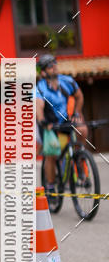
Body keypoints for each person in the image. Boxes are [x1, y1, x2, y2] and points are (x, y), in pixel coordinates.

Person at [36, 53, 88, 195]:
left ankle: (79, 156)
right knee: (51, 154)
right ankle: (51, 187)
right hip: (47, 122)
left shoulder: (67, 81)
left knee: (82, 129)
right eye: (49, 66)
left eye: (55, 64)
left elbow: (79, 96)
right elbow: (39, 109)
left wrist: (77, 113)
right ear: (43, 71)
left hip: (64, 119)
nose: (54, 67)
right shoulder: (40, 88)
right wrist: (43, 122)